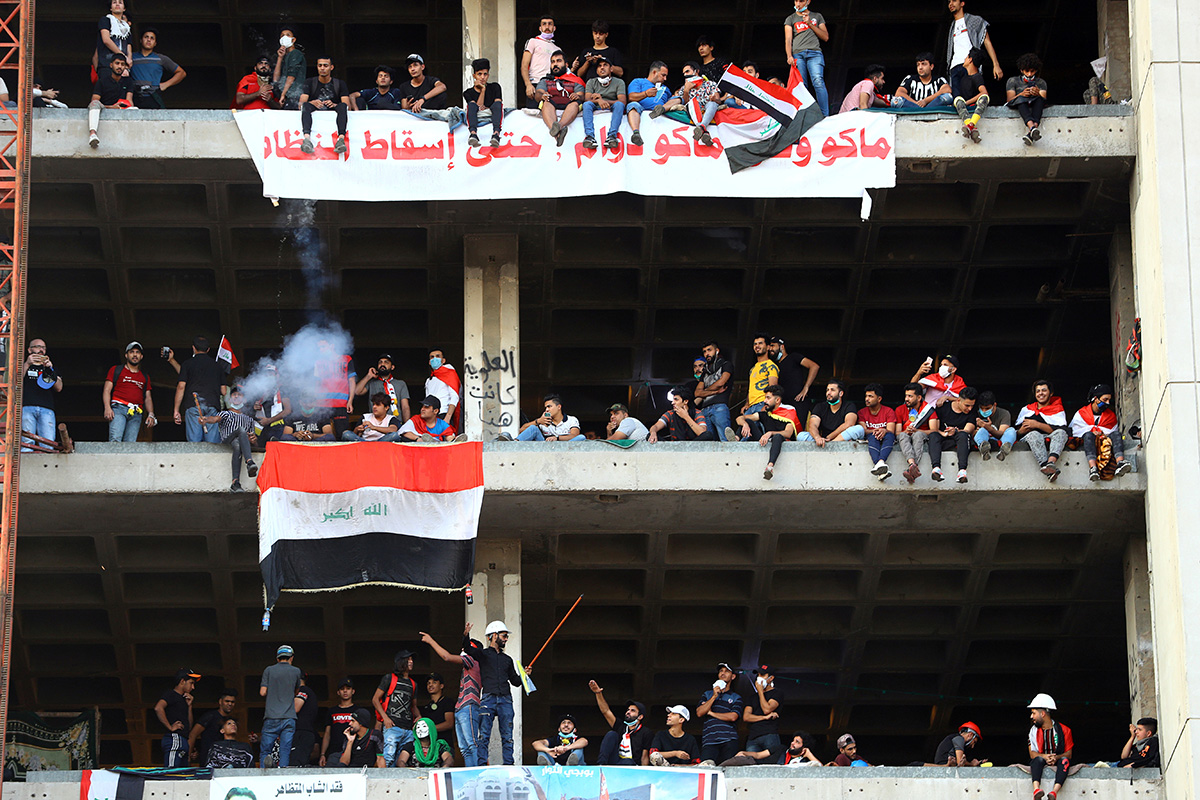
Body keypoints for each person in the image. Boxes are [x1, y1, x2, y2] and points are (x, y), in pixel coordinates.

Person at [419, 624, 483, 767]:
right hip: (461, 708)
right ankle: (470, 774)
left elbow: (446, 657)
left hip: (468, 706)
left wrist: (430, 640)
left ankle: (475, 773)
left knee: (471, 745)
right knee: (465, 748)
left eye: (467, 648)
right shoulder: (470, 666)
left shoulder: (472, 661)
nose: (463, 650)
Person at [467, 621, 526, 765]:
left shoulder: (507, 659)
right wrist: (465, 634)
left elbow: (516, 682)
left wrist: (524, 675)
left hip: (505, 699)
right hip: (489, 698)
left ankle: (509, 765)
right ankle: (481, 765)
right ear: (494, 636)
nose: (506, 639)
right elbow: (469, 650)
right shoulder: (484, 654)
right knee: (484, 736)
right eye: (504, 635)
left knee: (507, 736)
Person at [197, 388, 259, 493]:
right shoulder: (225, 413)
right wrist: (206, 419)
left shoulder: (250, 420)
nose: (236, 396)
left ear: (244, 400)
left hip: (238, 445)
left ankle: (235, 483)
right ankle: (249, 462)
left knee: (237, 444)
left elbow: (254, 442)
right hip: (226, 442)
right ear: (230, 400)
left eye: (239, 395)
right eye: (234, 395)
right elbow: (215, 419)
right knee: (240, 430)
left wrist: (254, 440)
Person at [734, 385, 798, 480]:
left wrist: (770, 433)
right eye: (765, 398)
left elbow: (788, 433)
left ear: (777, 400)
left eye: (768, 398)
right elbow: (739, 418)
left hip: (780, 443)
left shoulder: (789, 411)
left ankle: (770, 467)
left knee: (778, 436)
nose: (765, 401)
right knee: (748, 421)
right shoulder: (765, 414)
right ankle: (735, 439)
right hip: (764, 441)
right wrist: (745, 424)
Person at [722, 665, 782, 765]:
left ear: (771, 678)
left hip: (769, 734)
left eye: (762, 675)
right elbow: (746, 717)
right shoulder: (752, 698)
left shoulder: (777, 693)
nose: (759, 677)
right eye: (758, 674)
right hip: (753, 737)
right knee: (750, 764)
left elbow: (767, 709)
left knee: (772, 765)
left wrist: (760, 691)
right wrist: (764, 717)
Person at [1071, 384, 1133, 481]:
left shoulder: (1111, 415)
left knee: (1117, 435)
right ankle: (1093, 468)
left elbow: (1113, 431)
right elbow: (1075, 432)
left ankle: (1120, 462)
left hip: (1105, 440)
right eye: (1105, 400)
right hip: (1088, 442)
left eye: (1109, 400)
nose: (1108, 403)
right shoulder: (1081, 413)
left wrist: (1103, 434)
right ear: (1096, 399)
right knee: (1088, 435)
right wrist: (1092, 431)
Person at [373, 649, 421, 767]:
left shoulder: (413, 684)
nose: (411, 662)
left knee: (403, 762)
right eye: (408, 659)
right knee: (388, 760)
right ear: (400, 662)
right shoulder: (389, 678)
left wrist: (419, 717)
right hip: (392, 727)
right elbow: (375, 699)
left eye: (411, 659)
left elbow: (413, 706)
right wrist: (385, 718)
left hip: (408, 730)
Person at [173, 336, 226, 444]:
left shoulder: (187, 364)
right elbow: (224, 391)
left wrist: (176, 410)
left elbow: (181, 386)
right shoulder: (218, 366)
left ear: (193, 348)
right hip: (212, 406)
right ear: (208, 350)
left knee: (195, 444)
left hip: (194, 404)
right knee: (213, 445)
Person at [946, 0, 1002, 100]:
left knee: (971, 98)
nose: (951, 4)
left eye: (954, 0)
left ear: (962, 3)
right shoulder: (952, 26)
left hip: (969, 65)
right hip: (954, 67)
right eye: (949, 1)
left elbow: (987, 42)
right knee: (957, 100)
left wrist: (996, 64)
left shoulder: (975, 20)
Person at [1015, 380, 1070, 482]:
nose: (1040, 393)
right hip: (1031, 439)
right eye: (1038, 391)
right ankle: (1045, 466)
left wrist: (1036, 424)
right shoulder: (1026, 409)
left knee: (1062, 433)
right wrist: (1022, 430)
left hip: (1049, 438)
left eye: (1044, 390)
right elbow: (1016, 433)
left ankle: (1050, 463)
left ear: (1051, 393)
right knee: (1034, 434)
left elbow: (1061, 429)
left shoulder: (1057, 409)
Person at [258, 646, 303, 767]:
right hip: (289, 717)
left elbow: (262, 692)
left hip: (271, 716)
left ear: (278, 658)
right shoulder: (296, 671)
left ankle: (264, 774)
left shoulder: (269, 670)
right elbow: (297, 691)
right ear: (291, 658)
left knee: (266, 751)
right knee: (285, 751)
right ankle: (282, 773)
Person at [102, 341, 155, 442]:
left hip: (136, 412)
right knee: (115, 439)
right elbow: (107, 390)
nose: (135, 355)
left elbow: (148, 397)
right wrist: (107, 407)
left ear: (141, 356)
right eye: (132, 352)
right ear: (126, 355)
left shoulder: (144, 377)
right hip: (118, 409)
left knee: (130, 444)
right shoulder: (116, 369)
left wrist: (151, 414)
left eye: (137, 352)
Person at [784, 0, 830, 115]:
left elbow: (825, 37)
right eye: (796, 1)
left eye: (801, 1)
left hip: (814, 53)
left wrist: (810, 23)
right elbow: (788, 39)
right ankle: (805, 115)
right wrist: (789, 55)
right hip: (798, 54)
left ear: (808, 1)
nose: (798, 4)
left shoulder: (816, 16)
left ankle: (825, 115)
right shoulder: (791, 18)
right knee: (801, 86)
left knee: (818, 81)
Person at [589, 681, 650, 766]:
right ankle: (601, 767)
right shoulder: (621, 726)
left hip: (632, 766)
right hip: (615, 762)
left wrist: (644, 775)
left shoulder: (645, 732)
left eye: (632, 711)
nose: (628, 712)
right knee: (611, 734)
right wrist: (598, 693)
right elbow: (606, 711)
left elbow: (644, 756)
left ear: (640, 717)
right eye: (628, 710)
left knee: (628, 761)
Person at [298, 56, 351, 156]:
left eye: (325, 66)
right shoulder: (310, 82)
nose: (322, 68)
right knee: (305, 106)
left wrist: (335, 104)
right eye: (320, 65)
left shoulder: (339, 83)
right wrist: (312, 102)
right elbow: (300, 104)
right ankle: (307, 139)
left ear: (331, 67)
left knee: (342, 106)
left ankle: (341, 140)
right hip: (315, 108)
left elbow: (347, 105)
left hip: (332, 108)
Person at [1026, 693, 1073, 800]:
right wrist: (1045, 757)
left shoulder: (1065, 730)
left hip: (1058, 759)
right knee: (1037, 760)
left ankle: (1054, 792)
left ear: (1042, 714)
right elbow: (1032, 754)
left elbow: (1069, 754)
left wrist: (1056, 757)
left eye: (1033, 713)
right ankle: (1036, 789)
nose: (1031, 716)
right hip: (1041, 759)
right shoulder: (1033, 731)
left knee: (1065, 760)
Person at [696, 663, 743, 766]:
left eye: (727, 671)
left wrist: (711, 713)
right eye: (721, 671)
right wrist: (714, 696)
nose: (723, 673)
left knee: (728, 769)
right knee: (705, 768)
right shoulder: (708, 694)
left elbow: (733, 716)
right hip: (709, 740)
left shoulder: (736, 697)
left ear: (733, 676)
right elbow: (699, 712)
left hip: (729, 739)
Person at [928, 386, 977, 483]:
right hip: (942, 438)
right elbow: (934, 428)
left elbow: (968, 429)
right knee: (933, 435)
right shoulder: (943, 408)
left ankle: (962, 471)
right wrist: (944, 433)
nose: (970, 409)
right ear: (958, 400)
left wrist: (955, 431)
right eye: (967, 405)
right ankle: (936, 468)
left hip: (959, 440)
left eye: (972, 406)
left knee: (963, 435)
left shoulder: (972, 412)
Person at [20, 339, 62, 453]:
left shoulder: (50, 368)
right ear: (30, 350)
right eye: (38, 347)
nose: (41, 350)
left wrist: (50, 369)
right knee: (26, 443)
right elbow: (16, 382)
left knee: (48, 443)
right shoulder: (23, 365)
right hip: (27, 406)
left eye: (43, 348)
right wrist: (27, 363)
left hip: (46, 408)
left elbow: (59, 387)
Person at [537, 51, 584, 148]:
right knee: (545, 103)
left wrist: (577, 96)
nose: (555, 64)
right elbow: (538, 94)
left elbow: (582, 96)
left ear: (566, 64)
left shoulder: (575, 80)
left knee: (575, 104)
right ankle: (558, 133)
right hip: (551, 105)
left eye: (558, 61)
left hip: (569, 106)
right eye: (553, 62)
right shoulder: (545, 80)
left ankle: (559, 126)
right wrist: (543, 95)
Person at [129, 27, 185, 109]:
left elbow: (181, 73)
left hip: (153, 96)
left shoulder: (161, 59)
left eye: (152, 38)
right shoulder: (131, 57)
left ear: (155, 43)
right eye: (146, 37)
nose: (149, 40)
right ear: (141, 40)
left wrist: (166, 84)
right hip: (135, 96)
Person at [154, 668, 199, 768]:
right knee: (172, 773)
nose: (193, 687)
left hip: (183, 740)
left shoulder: (185, 699)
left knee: (181, 775)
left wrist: (189, 706)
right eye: (191, 683)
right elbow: (158, 708)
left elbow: (189, 725)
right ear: (182, 681)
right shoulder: (171, 694)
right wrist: (170, 727)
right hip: (175, 738)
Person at [87, 53, 133, 149]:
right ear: (111, 65)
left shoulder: (128, 81)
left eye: (122, 64)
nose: (120, 66)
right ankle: (93, 134)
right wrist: (112, 107)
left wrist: (125, 106)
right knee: (95, 103)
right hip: (105, 109)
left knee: (135, 109)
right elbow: (94, 101)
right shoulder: (102, 81)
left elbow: (129, 100)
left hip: (122, 109)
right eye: (117, 63)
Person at [769, 337, 819, 425]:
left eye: (773, 346)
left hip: (798, 402)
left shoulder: (793, 357)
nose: (770, 349)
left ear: (782, 347)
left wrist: (806, 387)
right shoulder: (774, 366)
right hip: (784, 405)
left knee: (798, 432)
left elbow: (814, 366)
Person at [581, 57, 626, 151]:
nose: (602, 68)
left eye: (605, 65)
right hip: (595, 105)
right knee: (586, 105)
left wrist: (603, 100)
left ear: (611, 69)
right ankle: (589, 137)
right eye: (599, 66)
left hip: (612, 106)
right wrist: (599, 101)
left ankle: (612, 137)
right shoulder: (591, 81)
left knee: (619, 105)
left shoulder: (619, 82)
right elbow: (587, 100)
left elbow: (622, 101)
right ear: (596, 70)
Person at [896, 382, 938, 483]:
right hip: (905, 436)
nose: (906, 399)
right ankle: (912, 466)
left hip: (921, 435)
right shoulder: (900, 409)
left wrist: (917, 430)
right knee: (902, 434)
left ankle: (912, 468)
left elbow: (934, 430)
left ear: (919, 398)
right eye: (906, 396)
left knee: (918, 435)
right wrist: (906, 431)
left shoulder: (928, 410)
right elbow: (897, 432)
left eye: (910, 396)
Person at [797, 380, 862, 445]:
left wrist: (829, 438)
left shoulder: (849, 406)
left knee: (859, 429)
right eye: (827, 390)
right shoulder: (820, 406)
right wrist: (817, 438)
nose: (828, 393)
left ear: (841, 393)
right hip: (823, 441)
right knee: (801, 435)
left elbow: (849, 424)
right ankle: (828, 445)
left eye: (832, 390)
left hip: (841, 439)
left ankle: (831, 445)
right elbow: (813, 425)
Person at [315, 337, 356, 438]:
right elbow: (316, 383)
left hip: (341, 404)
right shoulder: (318, 362)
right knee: (324, 436)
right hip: (322, 404)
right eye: (319, 348)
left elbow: (352, 381)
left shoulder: (346, 359)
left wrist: (350, 401)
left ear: (332, 346)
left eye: (323, 347)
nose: (321, 350)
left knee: (342, 435)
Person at [319, 679, 365, 767]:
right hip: (334, 752)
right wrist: (322, 754)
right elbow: (327, 734)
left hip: (354, 752)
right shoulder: (332, 711)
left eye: (348, 688)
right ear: (338, 692)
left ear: (353, 691)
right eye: (342, 689)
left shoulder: (358, 711)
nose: (345, 691)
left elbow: (363, 732)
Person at [624, 61, 670, 147]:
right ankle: (636, 133)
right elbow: (631, 97)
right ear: (654, 72)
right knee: (633, 105)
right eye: (663, 75)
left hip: (661, 119)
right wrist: (645, 94)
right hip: (640, 111)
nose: (665, 79)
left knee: (677, 99)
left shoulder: (665, 89)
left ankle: (661, 109)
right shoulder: (638, 81)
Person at [1007, 52, 1048, 146]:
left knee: (1039, 100)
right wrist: (1021, 94)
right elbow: (1009, 100)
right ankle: (1032, 128)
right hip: (1020, 104)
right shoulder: (1013, 81)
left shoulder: (1041, 82)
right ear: (1021, 70)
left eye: (1032, 71)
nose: (1029, 74)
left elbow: (1044, 99)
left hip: (1035, 105)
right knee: (1021, 100)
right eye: (1027, 71)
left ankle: (1032, 131)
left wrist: (1037, 93)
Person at [696, 340, 734, 442]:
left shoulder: (726, 365)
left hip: (719, 406)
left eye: (709, 350)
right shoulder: (705, 373)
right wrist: (714, 392)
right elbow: (697, 393)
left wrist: (705, 391)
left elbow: (721, 382)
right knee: (708, 444)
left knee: (725, 439)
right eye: (704, 351)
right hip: (704, 409)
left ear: (717, 351)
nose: (707, 353)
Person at [189, 688, 237, 767]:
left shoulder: (230, 721)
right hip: (208, 760)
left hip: (225, 761)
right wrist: (189, 756)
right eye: (227, 701)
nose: (230, 704)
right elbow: (193, 735)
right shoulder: (210, 716)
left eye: (232, 702)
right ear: (220, 702)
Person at [648, 387, 715, 442]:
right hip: (674, 447)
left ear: (685, 401)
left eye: (676, 400)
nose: (673, 403)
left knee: (708, 435)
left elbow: (702, 432)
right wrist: (653, 432)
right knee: (649, 435)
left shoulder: (697, 413)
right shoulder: (670, 414)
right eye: (673, 400)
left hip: (693, 446)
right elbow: (655, 426)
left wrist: (686, 416)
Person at [463, 58, 503, 148]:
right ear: (474, 76)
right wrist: (483, 90)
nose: (482, 77)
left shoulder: (495, 87)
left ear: (488, 75)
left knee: (497, 105)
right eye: (479, 74)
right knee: (471, 105)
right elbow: (478, 107)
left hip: (493, 113)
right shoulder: (468, 93)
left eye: (485, 74)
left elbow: (497, 104)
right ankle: (473, 134)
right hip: (476, 114)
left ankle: (496, 134)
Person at [953, 47, 990, 143]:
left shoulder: (977, 76)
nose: (964, 60)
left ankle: (971, 124)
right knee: (957, 100)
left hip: (974, 106)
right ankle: (972, 128)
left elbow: (984, 92)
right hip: (964, 107)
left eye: (966, 58)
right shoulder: (964, 78)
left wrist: (968, 102)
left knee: (984, 98)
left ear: (970, 60)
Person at [859, 384, 897, 480]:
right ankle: (880, 464)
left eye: (870, 396)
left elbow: (891, 430)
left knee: (889, 435)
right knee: (872, 436)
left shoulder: (889, 411)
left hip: (886, 437)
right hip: (871, 438)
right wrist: (875, 431)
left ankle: (879, 464)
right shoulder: (861, 412)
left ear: (879, 399)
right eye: (866, 396)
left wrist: (884, 430)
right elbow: (863, 430)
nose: (867, 399)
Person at [521, 15, 559, 108]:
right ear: (540, 28)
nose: (547, 27)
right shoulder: (533, 41)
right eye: (544, 24)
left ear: (554, 28)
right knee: (533, 115)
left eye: (550, 24)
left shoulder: (557, 49)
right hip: (535, 84)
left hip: (551, 85)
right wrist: (528, 85)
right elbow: (524, 65)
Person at [251, 364, 291, 444]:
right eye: (267, 373)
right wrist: (254, 407)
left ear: (277, 375)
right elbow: (249, 410)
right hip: (261, 427)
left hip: (277, 427)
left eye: (271, 373)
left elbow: (287, 410)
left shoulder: (282, 390)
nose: (269, 376)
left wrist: (269, 420)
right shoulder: (259, 391)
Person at [517, 394, 583, 441]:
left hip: (565, 450)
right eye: (546, 407)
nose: (547, 410)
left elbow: (575, 435)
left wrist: (557, 438)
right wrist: (538, 421)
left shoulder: (571, 420)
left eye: (549, 406)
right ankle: (513, 444)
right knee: (533, 428)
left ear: (559, 407)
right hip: (546, 449)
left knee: (581, 437)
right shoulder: (544, 421)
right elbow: (521, 431)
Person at [973, 390, 1016, 461]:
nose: (984, 411)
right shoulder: (976, 415)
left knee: (1011, 430)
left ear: (994, 405)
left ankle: (1003, 451)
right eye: (982, 408)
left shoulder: (1004, 413)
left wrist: (988, 427)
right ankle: (984, 450)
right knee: (981, 431)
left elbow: (1001, 434)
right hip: (985, 439)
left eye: (987, 408)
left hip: (1001, 438)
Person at [94, 0, 132, 77]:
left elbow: (129, 47)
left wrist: (127, 67)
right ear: (111, 8)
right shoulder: (106, 20)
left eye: (120, 2)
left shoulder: (126, 27)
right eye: (114, 2)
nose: (117, 4)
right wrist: (123, 57)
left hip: (122, 68)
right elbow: (106, 40)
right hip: (107, 65)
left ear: (124, 8)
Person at [425, 348, 460, 430]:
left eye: (437, 356)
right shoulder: (429, 380)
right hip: (431, 416)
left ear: (443, 360)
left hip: (444, 413)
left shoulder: (450, 373)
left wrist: (448, 417)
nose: (435, 359)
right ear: (429, 362)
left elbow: (455, 396)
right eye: (432, 357)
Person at [273, 26, 307, 110]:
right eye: (282, 36)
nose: (284, 37)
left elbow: (291, 76)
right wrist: (280, 58)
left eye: (287, 35)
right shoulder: (285, 57)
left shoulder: (295, 53)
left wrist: (283, 94)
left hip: (294, 96)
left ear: (293, 40)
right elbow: (276, 79)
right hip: (287, 96)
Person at [290, 673, 320, 766]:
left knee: (297, 763)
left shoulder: (303, 690)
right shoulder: (308, 691)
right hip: (303, 733)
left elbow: (296, 708)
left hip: (302, 733)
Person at [423, 673, 454, 740]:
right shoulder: (427, 706)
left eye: (434, 682)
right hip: (431, 745)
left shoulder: (447, 702)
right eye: (428, 683)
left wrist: (429, 729)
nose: (430, 685)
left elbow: (449, 723)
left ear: (441, 686)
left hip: (445, 744)